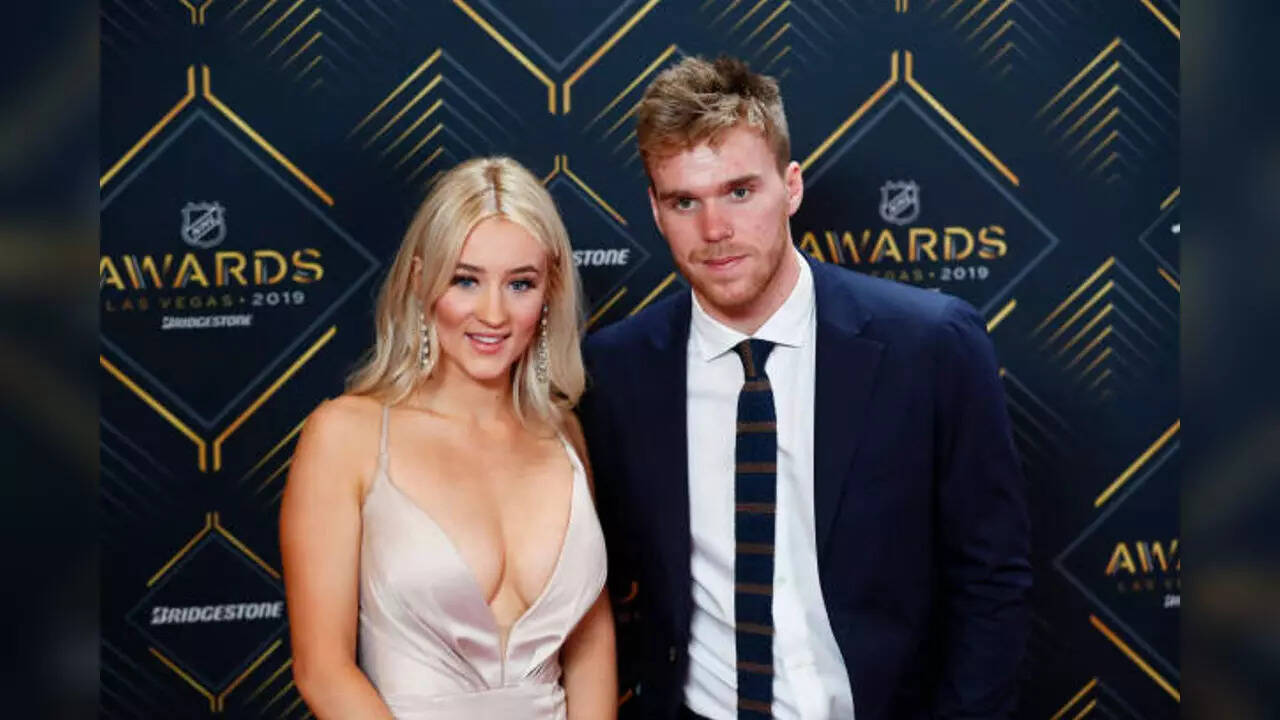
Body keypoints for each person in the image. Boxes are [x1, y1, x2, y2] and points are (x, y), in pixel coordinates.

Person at [578, 56, 1031, 719]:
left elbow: (992, 581)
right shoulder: (618, 370)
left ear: (790, 187)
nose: (714, 230)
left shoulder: (929, 345)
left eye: (740, 191)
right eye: (684, 201)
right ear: (655, 208)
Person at [280, 157, 616, 719]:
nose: (493, 313)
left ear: (550, 291)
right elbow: (323, 669)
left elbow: (590, 646)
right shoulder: (346, 436)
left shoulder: (564, 434)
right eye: (466, 280)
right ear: (421, 280)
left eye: (520, 284)